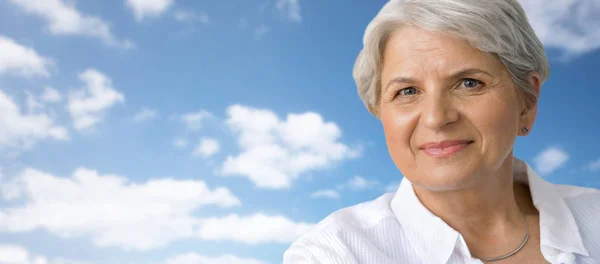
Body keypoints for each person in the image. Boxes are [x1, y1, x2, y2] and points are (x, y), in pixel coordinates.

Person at [283, 0, 600, 263]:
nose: (436, 118)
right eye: (407, 91)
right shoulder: (332, 254)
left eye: (469, 83)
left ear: (526, 102)